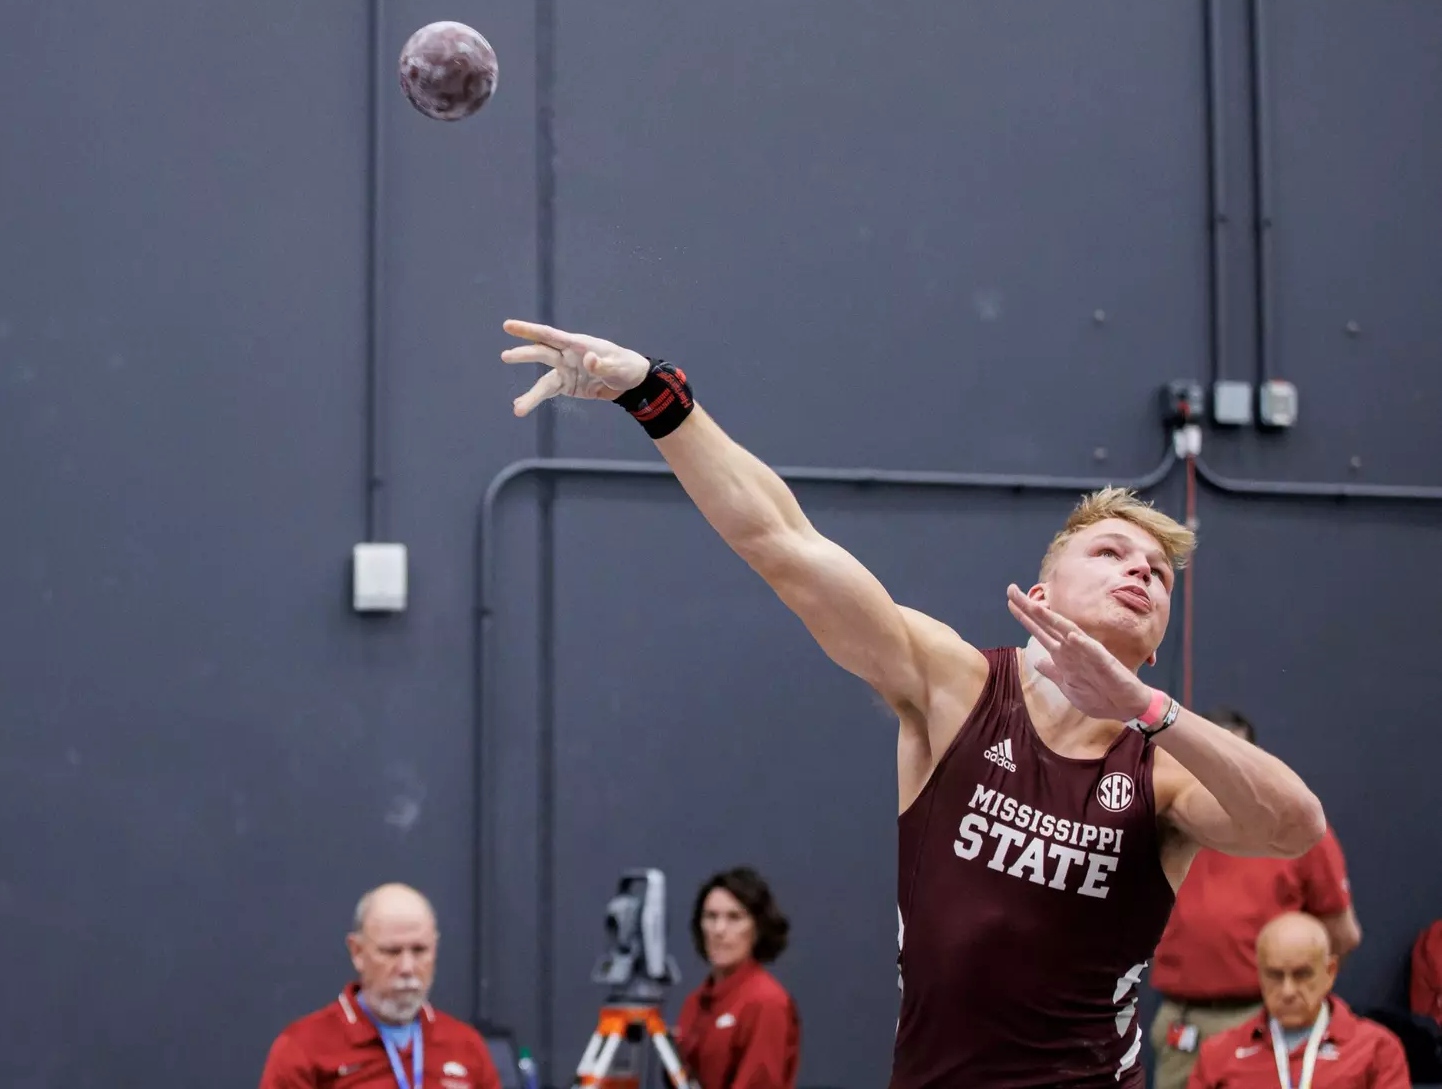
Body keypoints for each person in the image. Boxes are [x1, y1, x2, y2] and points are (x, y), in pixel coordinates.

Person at [496, 320, 1326, 1087]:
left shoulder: (1162, 767)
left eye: (1158, 572)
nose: (1141, 571)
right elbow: (783, 544)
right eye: (1112, 551)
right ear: (1043, 591)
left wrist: (1150, 708)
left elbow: (1295, 826)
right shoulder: (957, 685)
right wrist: (654, 393)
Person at [1150, 708, 1362, 1089]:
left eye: (1231, 761)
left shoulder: (1297, 832)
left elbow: (1340, 936)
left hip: (1260, 1023)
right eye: (1206, 759)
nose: (1218, 775)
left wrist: (1287, 1000)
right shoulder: (1164, 825)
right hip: (1179, 1022)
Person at [259, 883, 502, 1089]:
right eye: (391, 951)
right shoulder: (304, 1048)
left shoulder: (466, 1045)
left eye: (419, 950)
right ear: (357, 952)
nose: (407, 967)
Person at [1186, 912, 1409, 1088]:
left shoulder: (1376, 1049)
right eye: (1275, 975)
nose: (1288, 990)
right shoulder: (1218, 1053)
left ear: (1330, 972)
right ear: (1259, 975)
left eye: (1302, 974)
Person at [676, 866, 801, 1089]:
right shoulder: (695, 1002)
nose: (719, 929)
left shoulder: (767, 1002)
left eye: (734, 917)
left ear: (758, 928)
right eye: (711, 917)